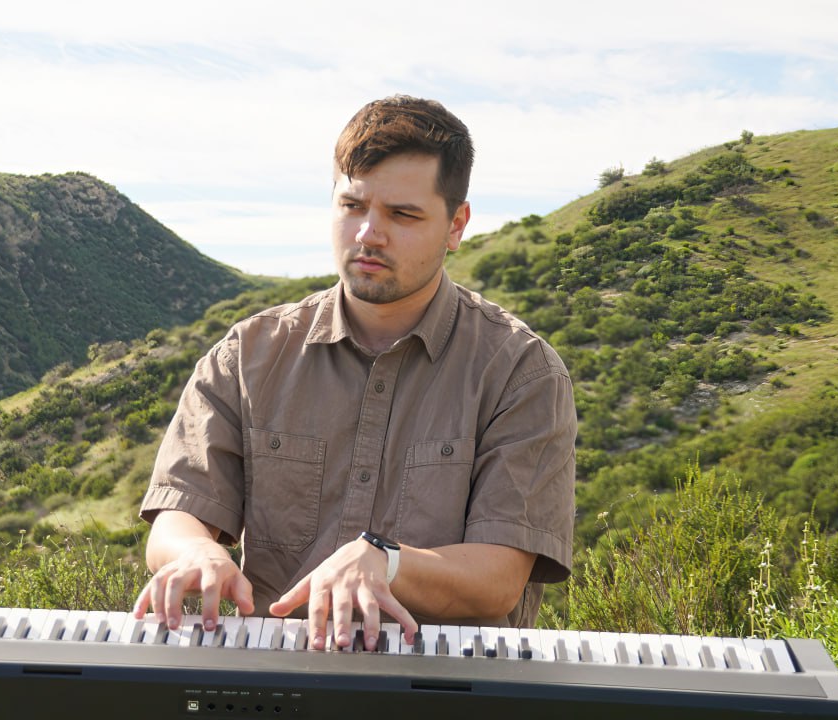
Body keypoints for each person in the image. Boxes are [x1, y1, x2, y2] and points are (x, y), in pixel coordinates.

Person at [134, 95, 576, 653]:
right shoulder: (247, 356)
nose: (369, 233)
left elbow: (498, 580)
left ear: (456, 225)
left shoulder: (521, 373)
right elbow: (176, 517)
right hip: (275, 675)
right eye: (352, 205)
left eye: (403, 215)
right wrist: (195, 551)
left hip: (448, 683)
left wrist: (385, 562)